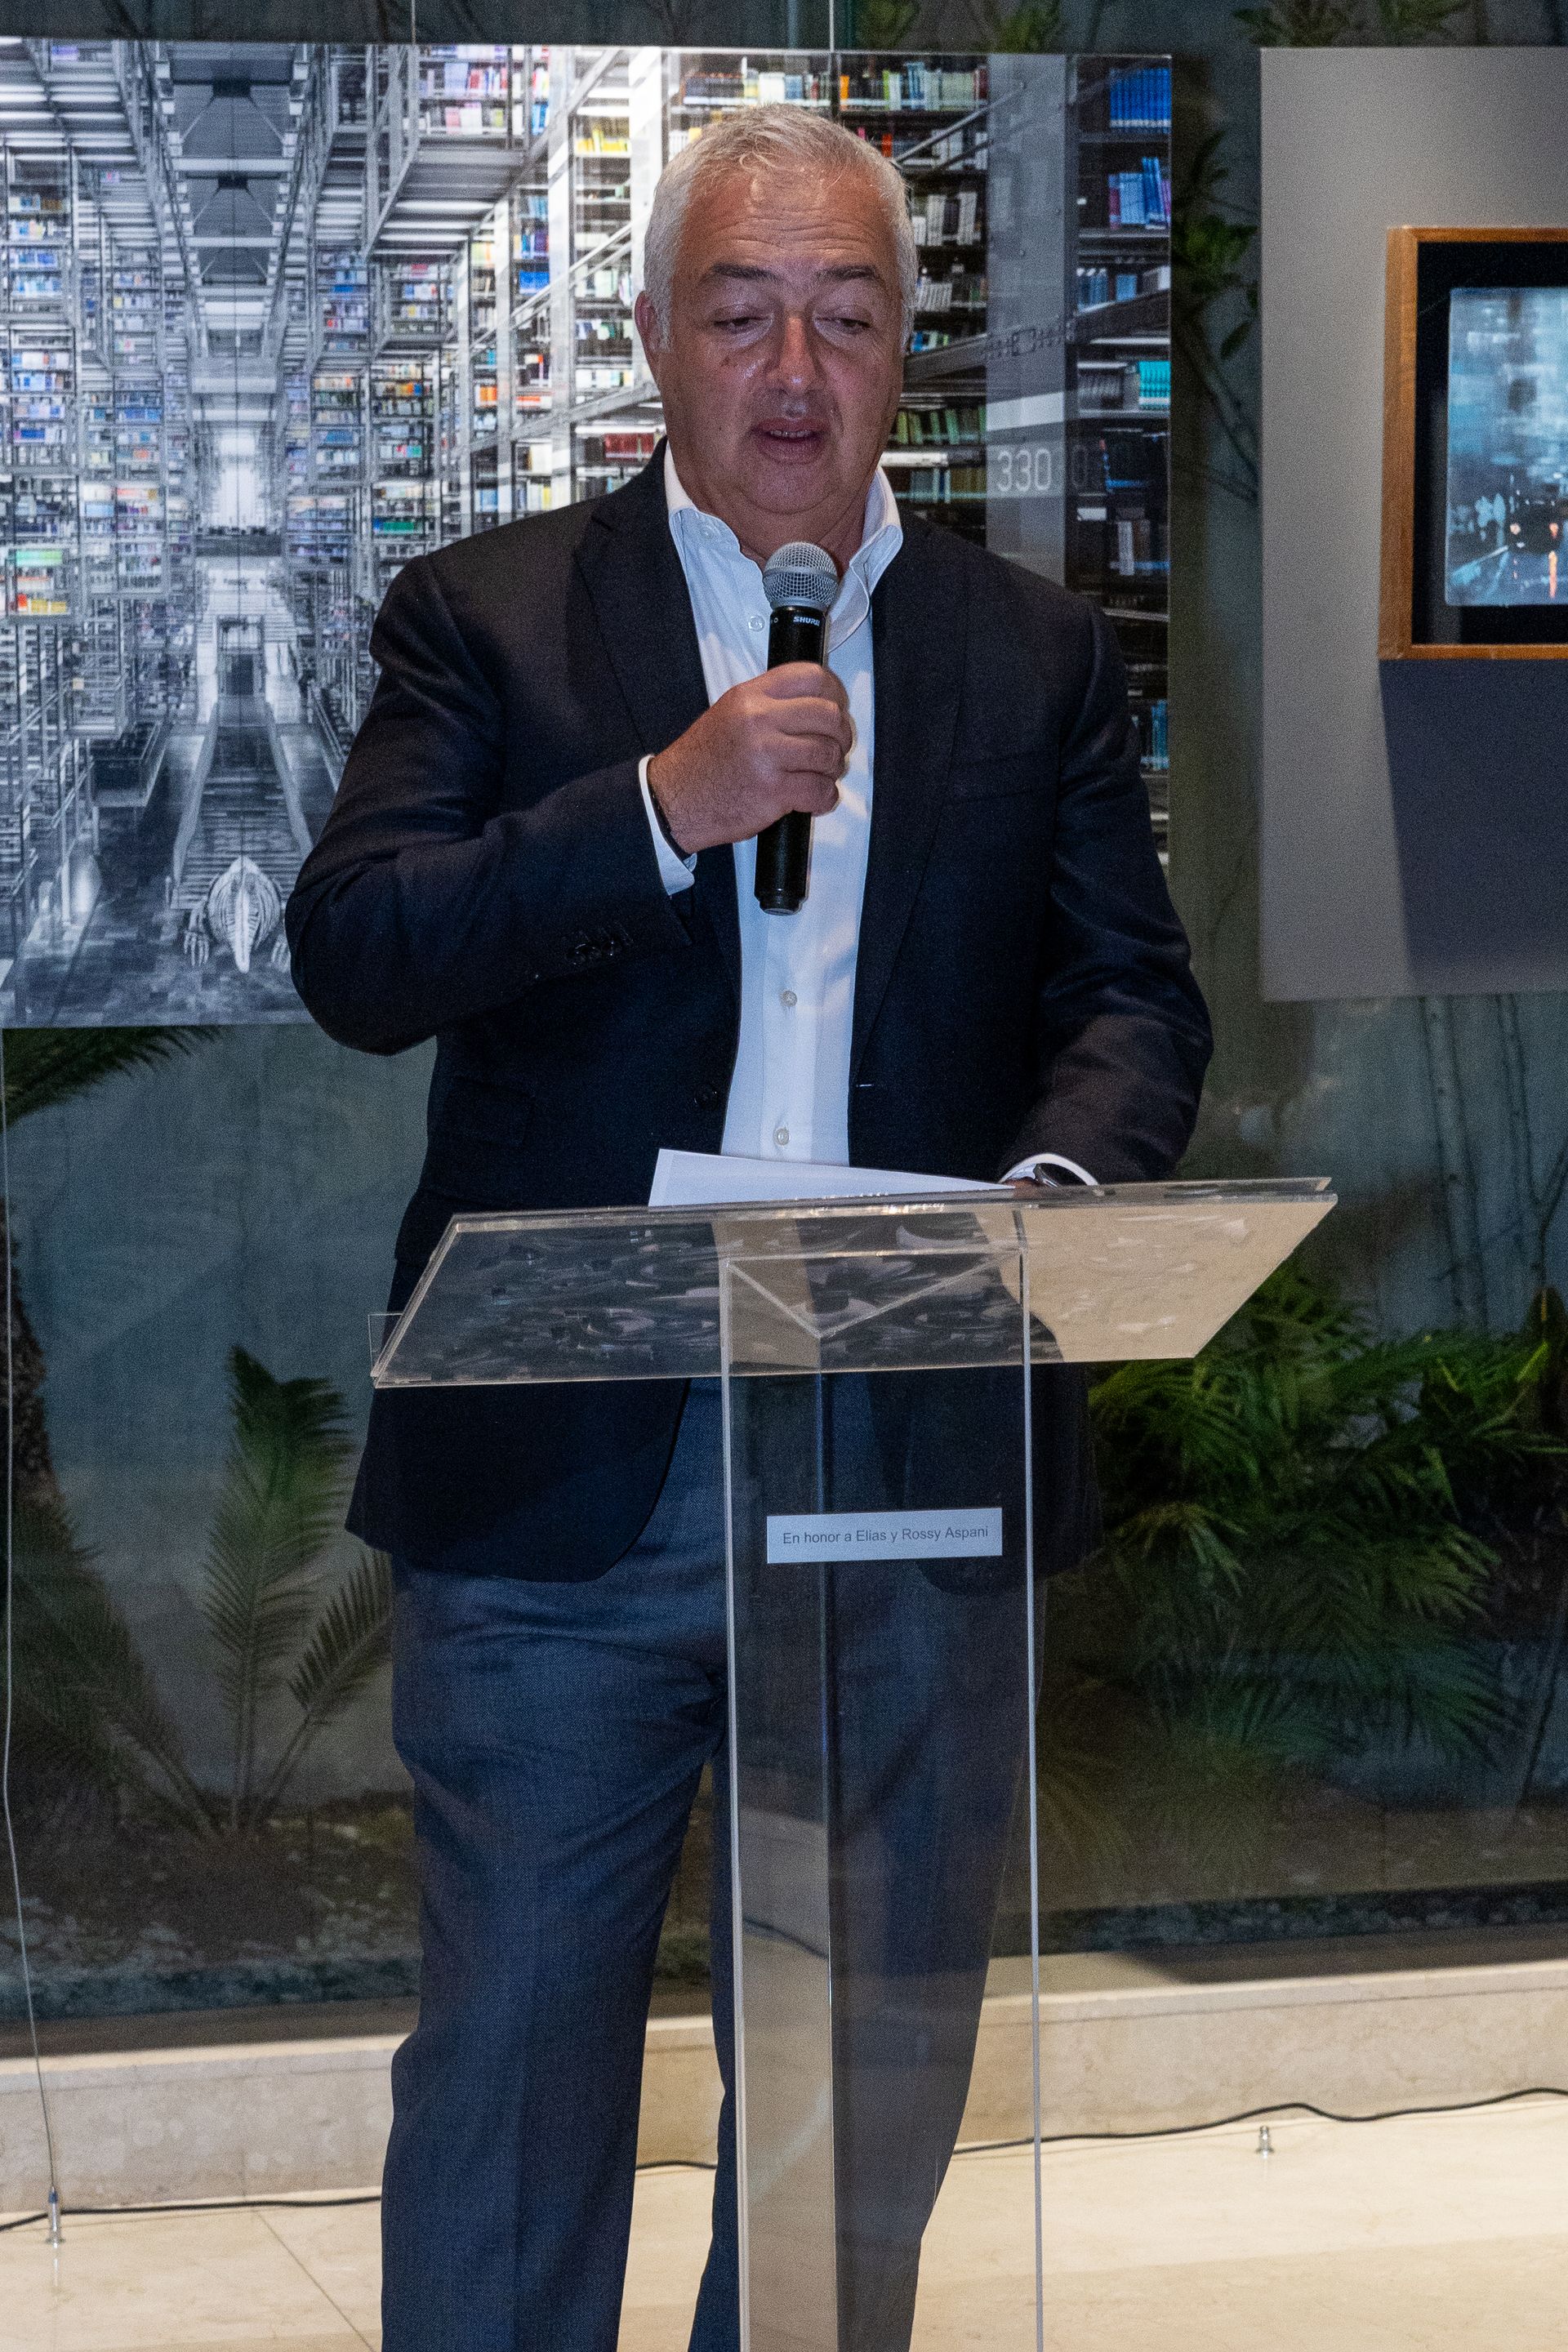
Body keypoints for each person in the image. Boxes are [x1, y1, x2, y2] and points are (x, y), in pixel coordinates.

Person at [287, 105, 1211, 2352]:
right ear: (655, 342)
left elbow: (1130, 1000)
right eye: (741, 312)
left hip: (905, 1437)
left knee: (857, 2099)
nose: (795, 370)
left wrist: (1044, 1211)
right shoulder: (488, 618)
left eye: (847, 313)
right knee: (515, 2069)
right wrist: (660, 810)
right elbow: (362, 952)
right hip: (564, 1472)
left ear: (907, 347)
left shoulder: (1034, 653)